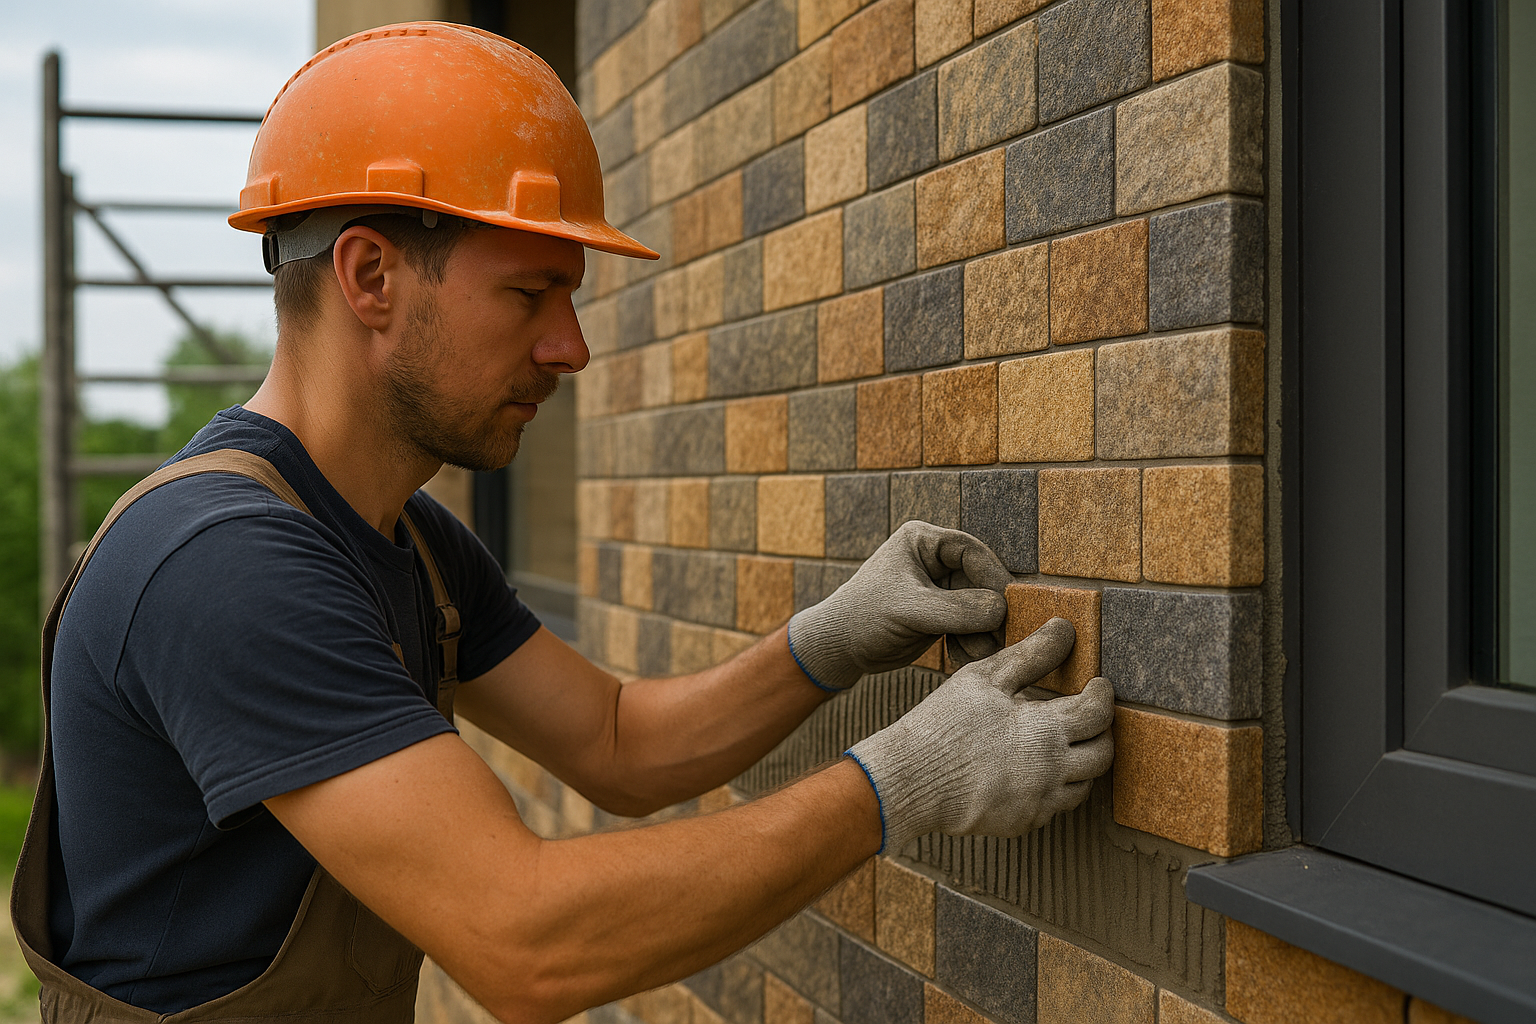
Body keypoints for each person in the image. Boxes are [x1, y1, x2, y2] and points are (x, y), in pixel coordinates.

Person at [12, 22, 1115, 1024]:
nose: (571, 349)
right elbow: (526, 938)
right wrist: (905, 781)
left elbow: (620, 743)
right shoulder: (223, 564)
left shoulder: (408, 541)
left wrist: (829, 642)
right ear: (369, 275)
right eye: (530, 294)